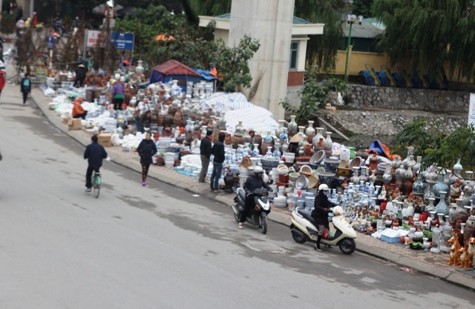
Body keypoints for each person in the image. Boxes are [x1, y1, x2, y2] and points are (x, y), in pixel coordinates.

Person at [311, 184, 334, 251]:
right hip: (317, 215)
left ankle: (328, 243)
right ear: (321, 191)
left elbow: (328, 203)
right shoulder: (318, 197)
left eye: (327, 191)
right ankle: (317, 245)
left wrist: (335, 205)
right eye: (325, 191)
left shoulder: (325, 197)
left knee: (330, 227)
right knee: (322, 228)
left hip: (324, 215)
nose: (326, 192)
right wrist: (324, 209)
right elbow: (317, 206)